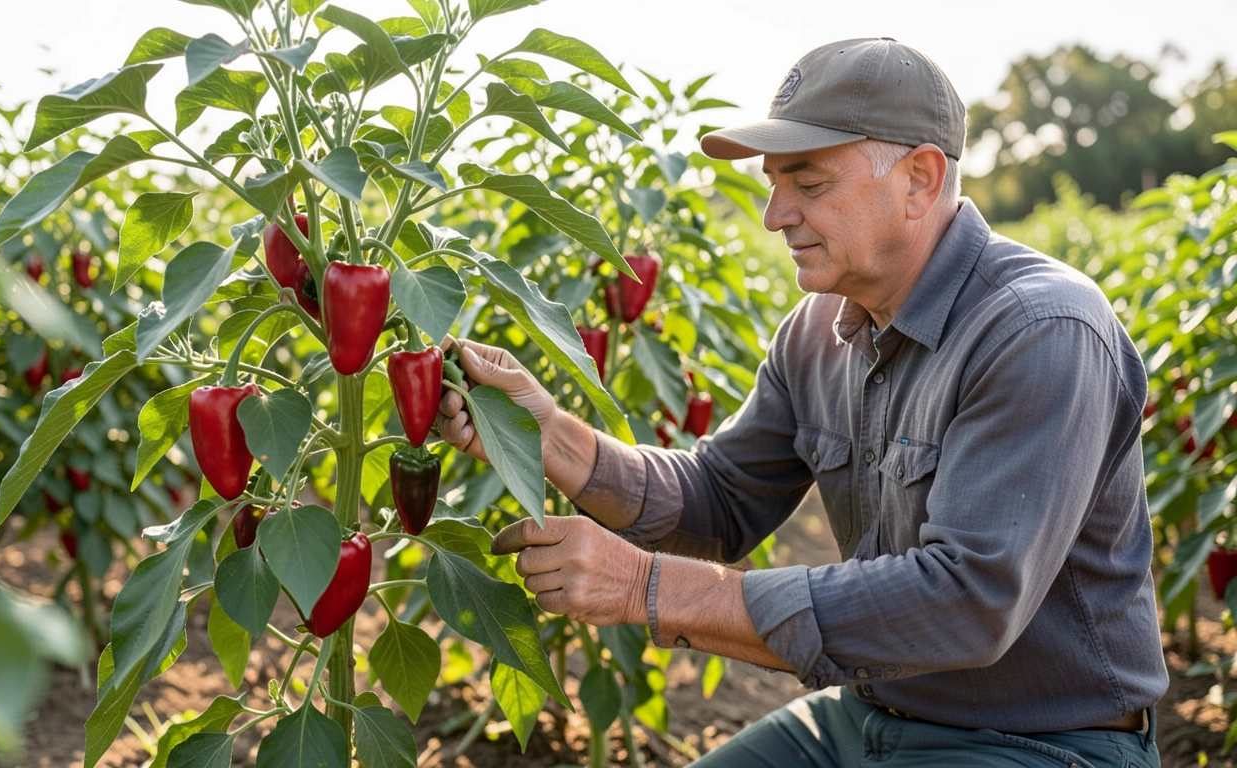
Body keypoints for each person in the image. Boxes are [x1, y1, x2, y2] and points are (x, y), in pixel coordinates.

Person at [435, 37, 1167, 767]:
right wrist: (548, 435)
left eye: (809, 184)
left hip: (1047, 743)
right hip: (870, 714)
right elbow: (721, 501)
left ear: (920, 178)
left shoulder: (1039, 330)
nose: (774, 215)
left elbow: (967, 602)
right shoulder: (819, 331)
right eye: (773, 184)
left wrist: (642, 585)